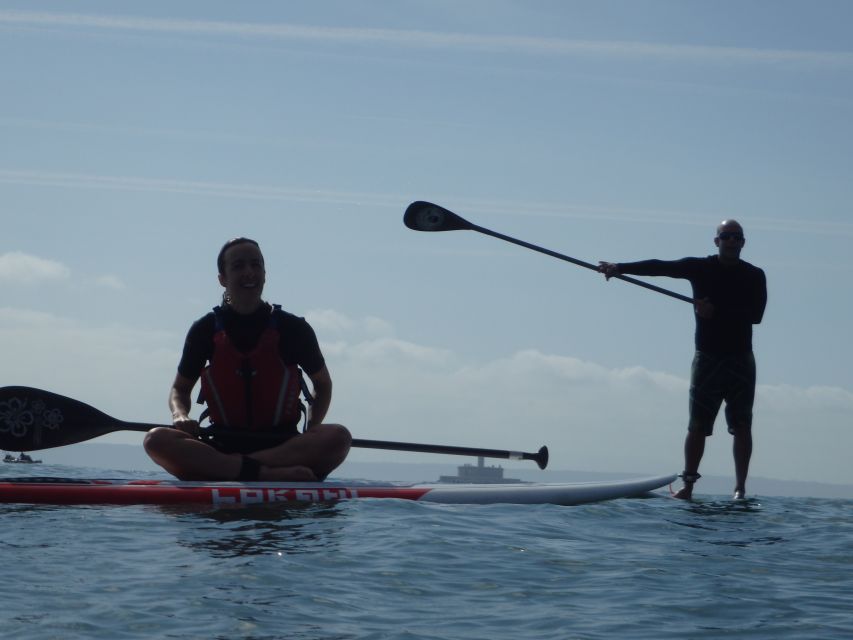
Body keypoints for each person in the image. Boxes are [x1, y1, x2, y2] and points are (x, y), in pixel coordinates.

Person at [144, 238, 351, 482]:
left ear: (265, 274)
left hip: (283, 445)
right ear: (222, 278)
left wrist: (311, 429)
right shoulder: (205, 329)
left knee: (339, 437)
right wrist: (179, 415)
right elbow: (180, 389)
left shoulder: (294, 328)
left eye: (256, 265)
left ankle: (233, 469)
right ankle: (268, 475)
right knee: (155, 440)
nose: (249, 272)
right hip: (221, 442)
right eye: (238, 266)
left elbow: (323, 384)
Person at [598, 220, 766, 500]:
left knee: (742, 425)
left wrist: (717, 311)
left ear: (743, 243)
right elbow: (660, 266)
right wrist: (620, 268)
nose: (732, 241)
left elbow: (756, 316)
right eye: (726, 236)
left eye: (737, 237)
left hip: (740, 360)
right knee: (697, 425)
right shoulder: (699, 267)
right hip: (707, 358)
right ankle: (688, 486)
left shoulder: (754, 275)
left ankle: (740, 489)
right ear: (717, 241)